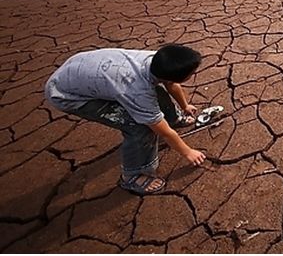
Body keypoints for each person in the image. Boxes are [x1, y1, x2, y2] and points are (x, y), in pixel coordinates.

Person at [44, 44, 207, 195]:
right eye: (192, 73)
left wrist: (184, 106)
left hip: (79, 68)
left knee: (155, 93)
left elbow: (170, 84)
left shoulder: (156, 60)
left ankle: (174, 118)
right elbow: (162, 131)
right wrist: (188, 152)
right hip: (65, 94)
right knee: (139, 126)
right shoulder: (137, 90)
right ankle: (133, 176)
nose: (193, 74)